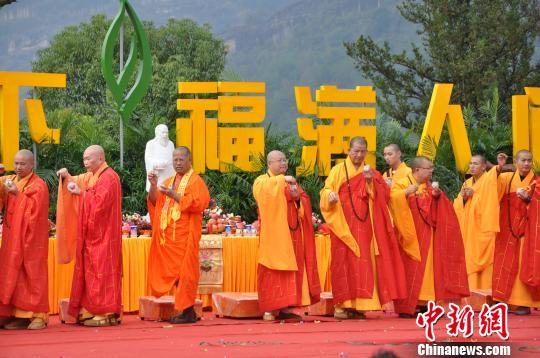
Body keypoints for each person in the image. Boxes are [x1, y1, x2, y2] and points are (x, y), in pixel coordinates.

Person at [320, 137, 406, 319]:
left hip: (365, 226)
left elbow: (383, 196)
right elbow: (325, 190)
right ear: (348, 151)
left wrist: (370, 182)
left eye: (362, 151)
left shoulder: (372, 173)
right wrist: (330, 196)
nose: (359, 155)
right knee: (343, 263)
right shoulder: (338, 170)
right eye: (356, 151)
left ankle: (359, 306)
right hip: (343, 225)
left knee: (363, 263)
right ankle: (342, 306)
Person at [389, 156, 469, 317]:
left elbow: (442, 208)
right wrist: (405, 193)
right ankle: (407, 306)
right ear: (417, 170)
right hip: (409, 235)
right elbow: (391, 200)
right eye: (429, 168)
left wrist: (437, 197)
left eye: (432, 168)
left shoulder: (429, 186)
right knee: (409, 270)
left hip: (428, 234)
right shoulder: (402, 184)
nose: (432, 171)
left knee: (429, 270)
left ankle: (427, 304)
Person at [56, 145, 122, 326]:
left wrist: (81, 194)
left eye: (89, 159)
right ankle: (92, 310)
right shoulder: (94, 176)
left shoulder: (109, 177)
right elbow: (75, 181)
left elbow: (99, 204)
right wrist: (65, 176)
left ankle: (106, 312)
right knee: (91, 273)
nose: (85, 163)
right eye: (84, 159)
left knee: (103, 272)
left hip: (105, 236)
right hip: (93, 235)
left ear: (100, 158)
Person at [253, 150, 321, 321]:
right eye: (279, 160)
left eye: (285, 160)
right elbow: (264, 194)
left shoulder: (289, 181)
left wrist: (298, 199)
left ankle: (285, 307)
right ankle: (270, 309)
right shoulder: (262, 181)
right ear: (269, 164)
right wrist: (283, 180)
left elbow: (303, 201)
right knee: (272, 271)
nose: (283, 163)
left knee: (291, 273)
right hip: (274, 237)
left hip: (293, 236)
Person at [147, 147, 210, 324]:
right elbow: (155, 202)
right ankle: (186, 310)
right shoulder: (168, 181)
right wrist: (153, 186)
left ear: (190, 160)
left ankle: (188, 310)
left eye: (181, 159)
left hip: (186, 236)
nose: (178, 162)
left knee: (185, 273)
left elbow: (200, 203)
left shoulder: (196, 181)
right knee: (175, 274)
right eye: (175, 159)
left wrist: (175, 195)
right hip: (169, 240)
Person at [0, 150, 49, 330]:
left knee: (31, 273)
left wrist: (18, 195)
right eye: (16, 163)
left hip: (31, 240)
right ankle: (17, 314)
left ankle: (38, 315)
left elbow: (35, 214)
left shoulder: (39, 185)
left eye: (22, 164)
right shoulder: (11, 180)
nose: (18, 167)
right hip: (12, 238)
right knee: (13, 274)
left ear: (31, 165)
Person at [493, 150, 540, 315]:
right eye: (523, 160)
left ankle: (522, 303)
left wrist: (529, 200)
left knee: (523, 262)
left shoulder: (536, 182)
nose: (526, 164)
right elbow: (491, 190)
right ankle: (501, 300)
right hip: (507, 226)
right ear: (516, 162)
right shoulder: (507, 178)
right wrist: (498, 168)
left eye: (529, 160)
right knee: (503, 261)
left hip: (527, 228)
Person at [453, 154, 499, 289]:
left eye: (476, 164)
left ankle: (485, 294)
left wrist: (475, 195)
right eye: (471, 164)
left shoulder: (490, 181)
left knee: (485, 262)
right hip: (468, 230)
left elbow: (491, 202)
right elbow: (457, 205)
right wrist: (464, 198)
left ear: (484, 166)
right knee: (468, 258)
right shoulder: (467, 183)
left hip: (483, 228)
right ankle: (470, 293)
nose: (472, 167)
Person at [145, 124, 175, 191]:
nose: (165, 135)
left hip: (169, 175)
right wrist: (159, 163)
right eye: (163, 132)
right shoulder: (151, 144)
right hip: (157, 177)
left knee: (170, 196)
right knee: (156, 196)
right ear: (157, 133)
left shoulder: (171, 144)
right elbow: (148, 159)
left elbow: (174, 158)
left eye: (167, 132)